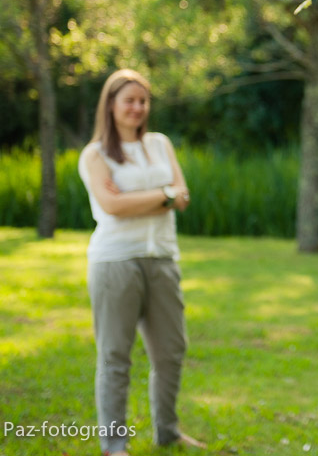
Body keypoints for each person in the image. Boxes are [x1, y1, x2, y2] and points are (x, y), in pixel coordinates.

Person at [78, 68, 206, 456]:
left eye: (143, 101)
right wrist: (163, 193)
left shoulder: (160, 144)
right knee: (116, 355)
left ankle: (167, 431)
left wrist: (157, 195)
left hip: (163, 258)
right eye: (129, 100)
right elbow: (112, 206)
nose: (137, 108)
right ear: (111, 105)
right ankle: (114, 445)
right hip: (116, 262)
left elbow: (183, 195)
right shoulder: (95, 154)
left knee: (171, 351)